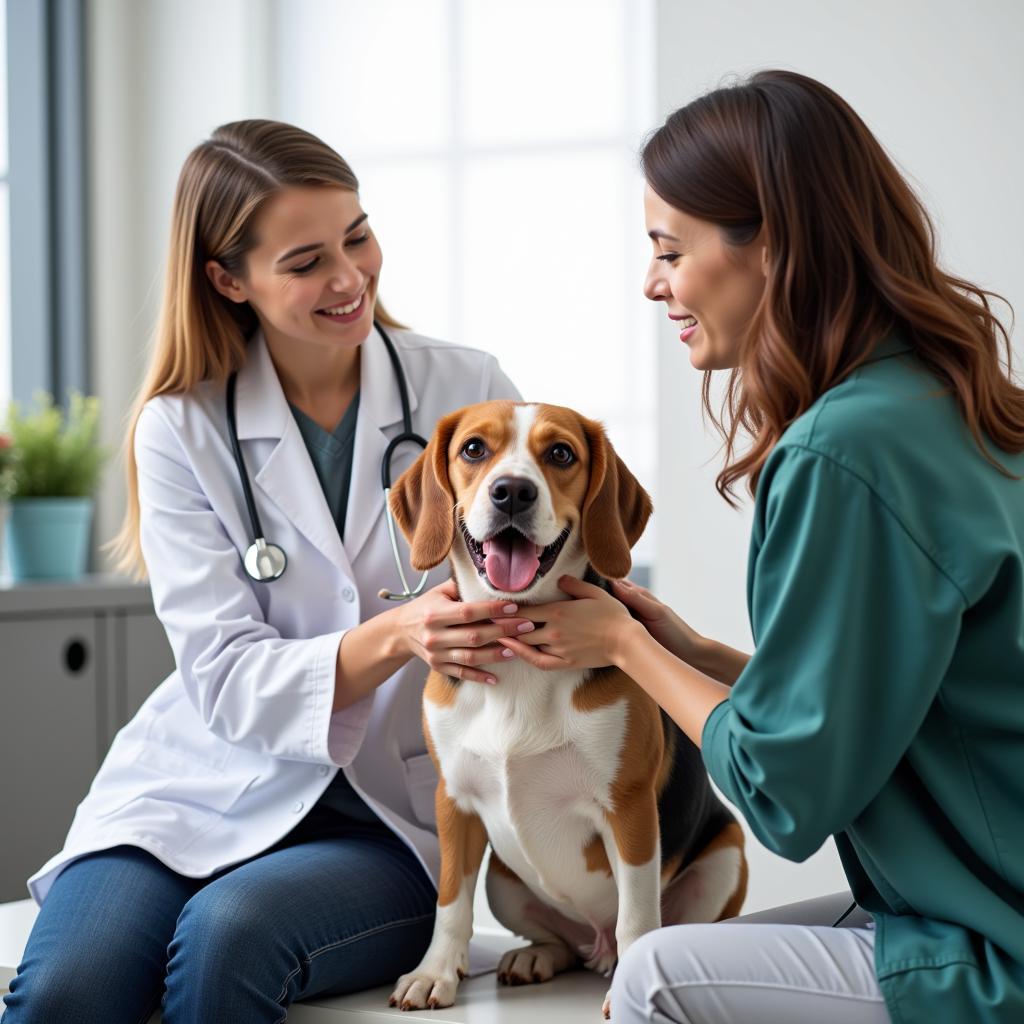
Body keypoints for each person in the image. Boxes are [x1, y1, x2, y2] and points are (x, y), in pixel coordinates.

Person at [496, 70, 1024, 1023]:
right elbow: (886, 713)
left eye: (669, 250)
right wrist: (693, 654)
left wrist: (628, 650)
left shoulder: (844, 449)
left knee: (651, 975)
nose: (652, 282)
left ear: (774, 245)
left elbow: (786, 795)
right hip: (974, 899)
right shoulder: (954, 404)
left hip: (996, 943)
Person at [1, 119, 532, 1023]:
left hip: (387, 813)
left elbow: (544, 574)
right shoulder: (180, 426)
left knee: (226, 942)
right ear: (226, 278)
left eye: (357, 236)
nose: (349, 276)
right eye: (305, 261)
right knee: (66, 991)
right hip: (195, 787)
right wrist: (401, 630)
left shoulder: (464, 389)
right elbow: (224, 675)